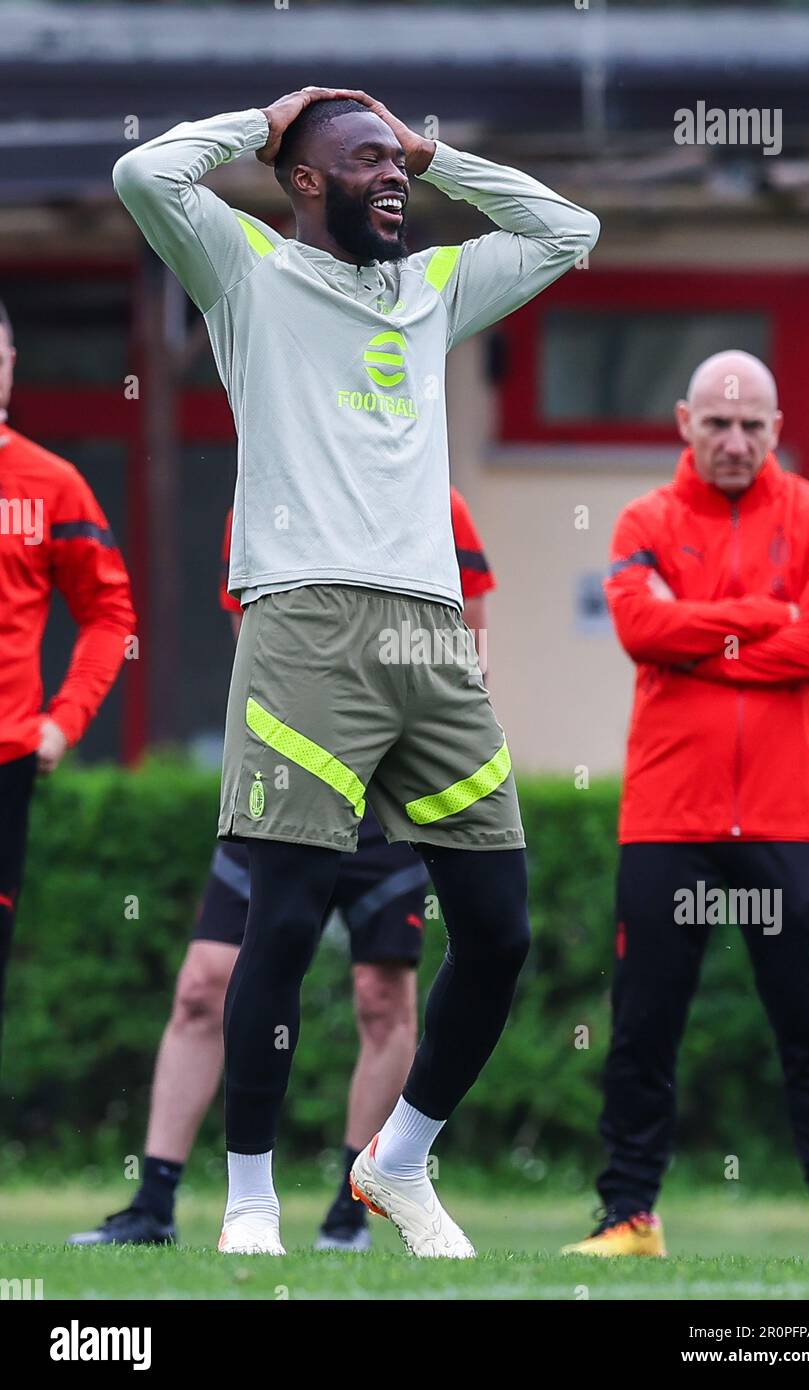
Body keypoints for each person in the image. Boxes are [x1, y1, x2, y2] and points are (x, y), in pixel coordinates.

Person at [112, 84, 597, 1258]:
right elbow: (145, 179)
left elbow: (567, 234)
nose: (397, 178)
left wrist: (445, 154)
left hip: (432, 634)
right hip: (304, 624)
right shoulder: (244, 273)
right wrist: (259, 118)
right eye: (367, 160)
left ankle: (398, 1164)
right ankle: (247, 1202)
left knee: (496, 927)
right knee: (279, 925)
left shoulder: (430, 287)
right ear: (304, 180)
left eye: (402, 163)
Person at [67, 488, 495, 1252]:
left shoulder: (431, 491)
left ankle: (349, 1214)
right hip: (291, 767)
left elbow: (474, 640)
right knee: (204, 982)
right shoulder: (271, 484)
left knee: (382, 996)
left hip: (387, 795)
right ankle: (158, 1203)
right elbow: (256, 639)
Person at [563, 350, 809, 1262]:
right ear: (683, 421)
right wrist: (766, 615)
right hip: (669, 816)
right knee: (645, 1024)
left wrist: (703, 637)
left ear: (777, 430)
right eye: (718, 423)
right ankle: (628, 1219)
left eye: (752, 426)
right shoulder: (642, 519)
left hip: (786, 816)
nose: (734, 441)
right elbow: (636, 628)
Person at [0, 296, 135, 1068]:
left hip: (7, 762)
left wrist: (65, 719)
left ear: (13, 364)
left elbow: (110, 613)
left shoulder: (52, 486)